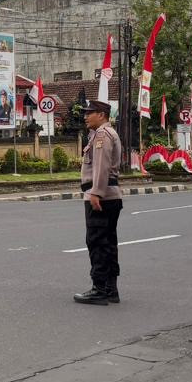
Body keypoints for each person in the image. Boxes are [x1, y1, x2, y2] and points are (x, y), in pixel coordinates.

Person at [74, 100, 124, 305]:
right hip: (110, 195)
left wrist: (96, 193)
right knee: (108, 243)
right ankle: (111, 289)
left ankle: (99, 288)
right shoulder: (105, 134)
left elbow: (101, 167)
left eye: (90, 113)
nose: (85, 116)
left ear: (102, 114)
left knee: (97, 242)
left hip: (101, 197)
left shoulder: (102, 135)